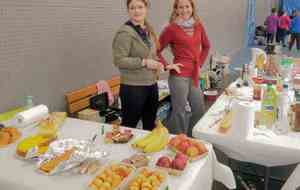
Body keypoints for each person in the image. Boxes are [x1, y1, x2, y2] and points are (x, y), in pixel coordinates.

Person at [157, 0, 210, 136]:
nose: (184, 9)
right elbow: (156, 50)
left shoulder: (198, 26)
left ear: (192, 8)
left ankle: (192, 139)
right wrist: (167, 65)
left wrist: (199, 64)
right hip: (178, 77)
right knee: (179, 112)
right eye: (181, 7)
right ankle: (178, 142)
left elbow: (206, 46)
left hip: (194, 76)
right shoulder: (171, 29)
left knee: (198, 110)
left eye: (187, 6)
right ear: (176, 10)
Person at [112, 0, 163, 130]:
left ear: (146, 9)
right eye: (132, 8)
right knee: (129, 127)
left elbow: (151, 55)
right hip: (133, 88)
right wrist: (144, 62)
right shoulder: (125, 33)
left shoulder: (147, 30)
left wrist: (160, 65)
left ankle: (144, 151)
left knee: (149, 126)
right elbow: (119, 60)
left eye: (140, 7)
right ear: (128, 11)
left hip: (151, 85)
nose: (136, 11)